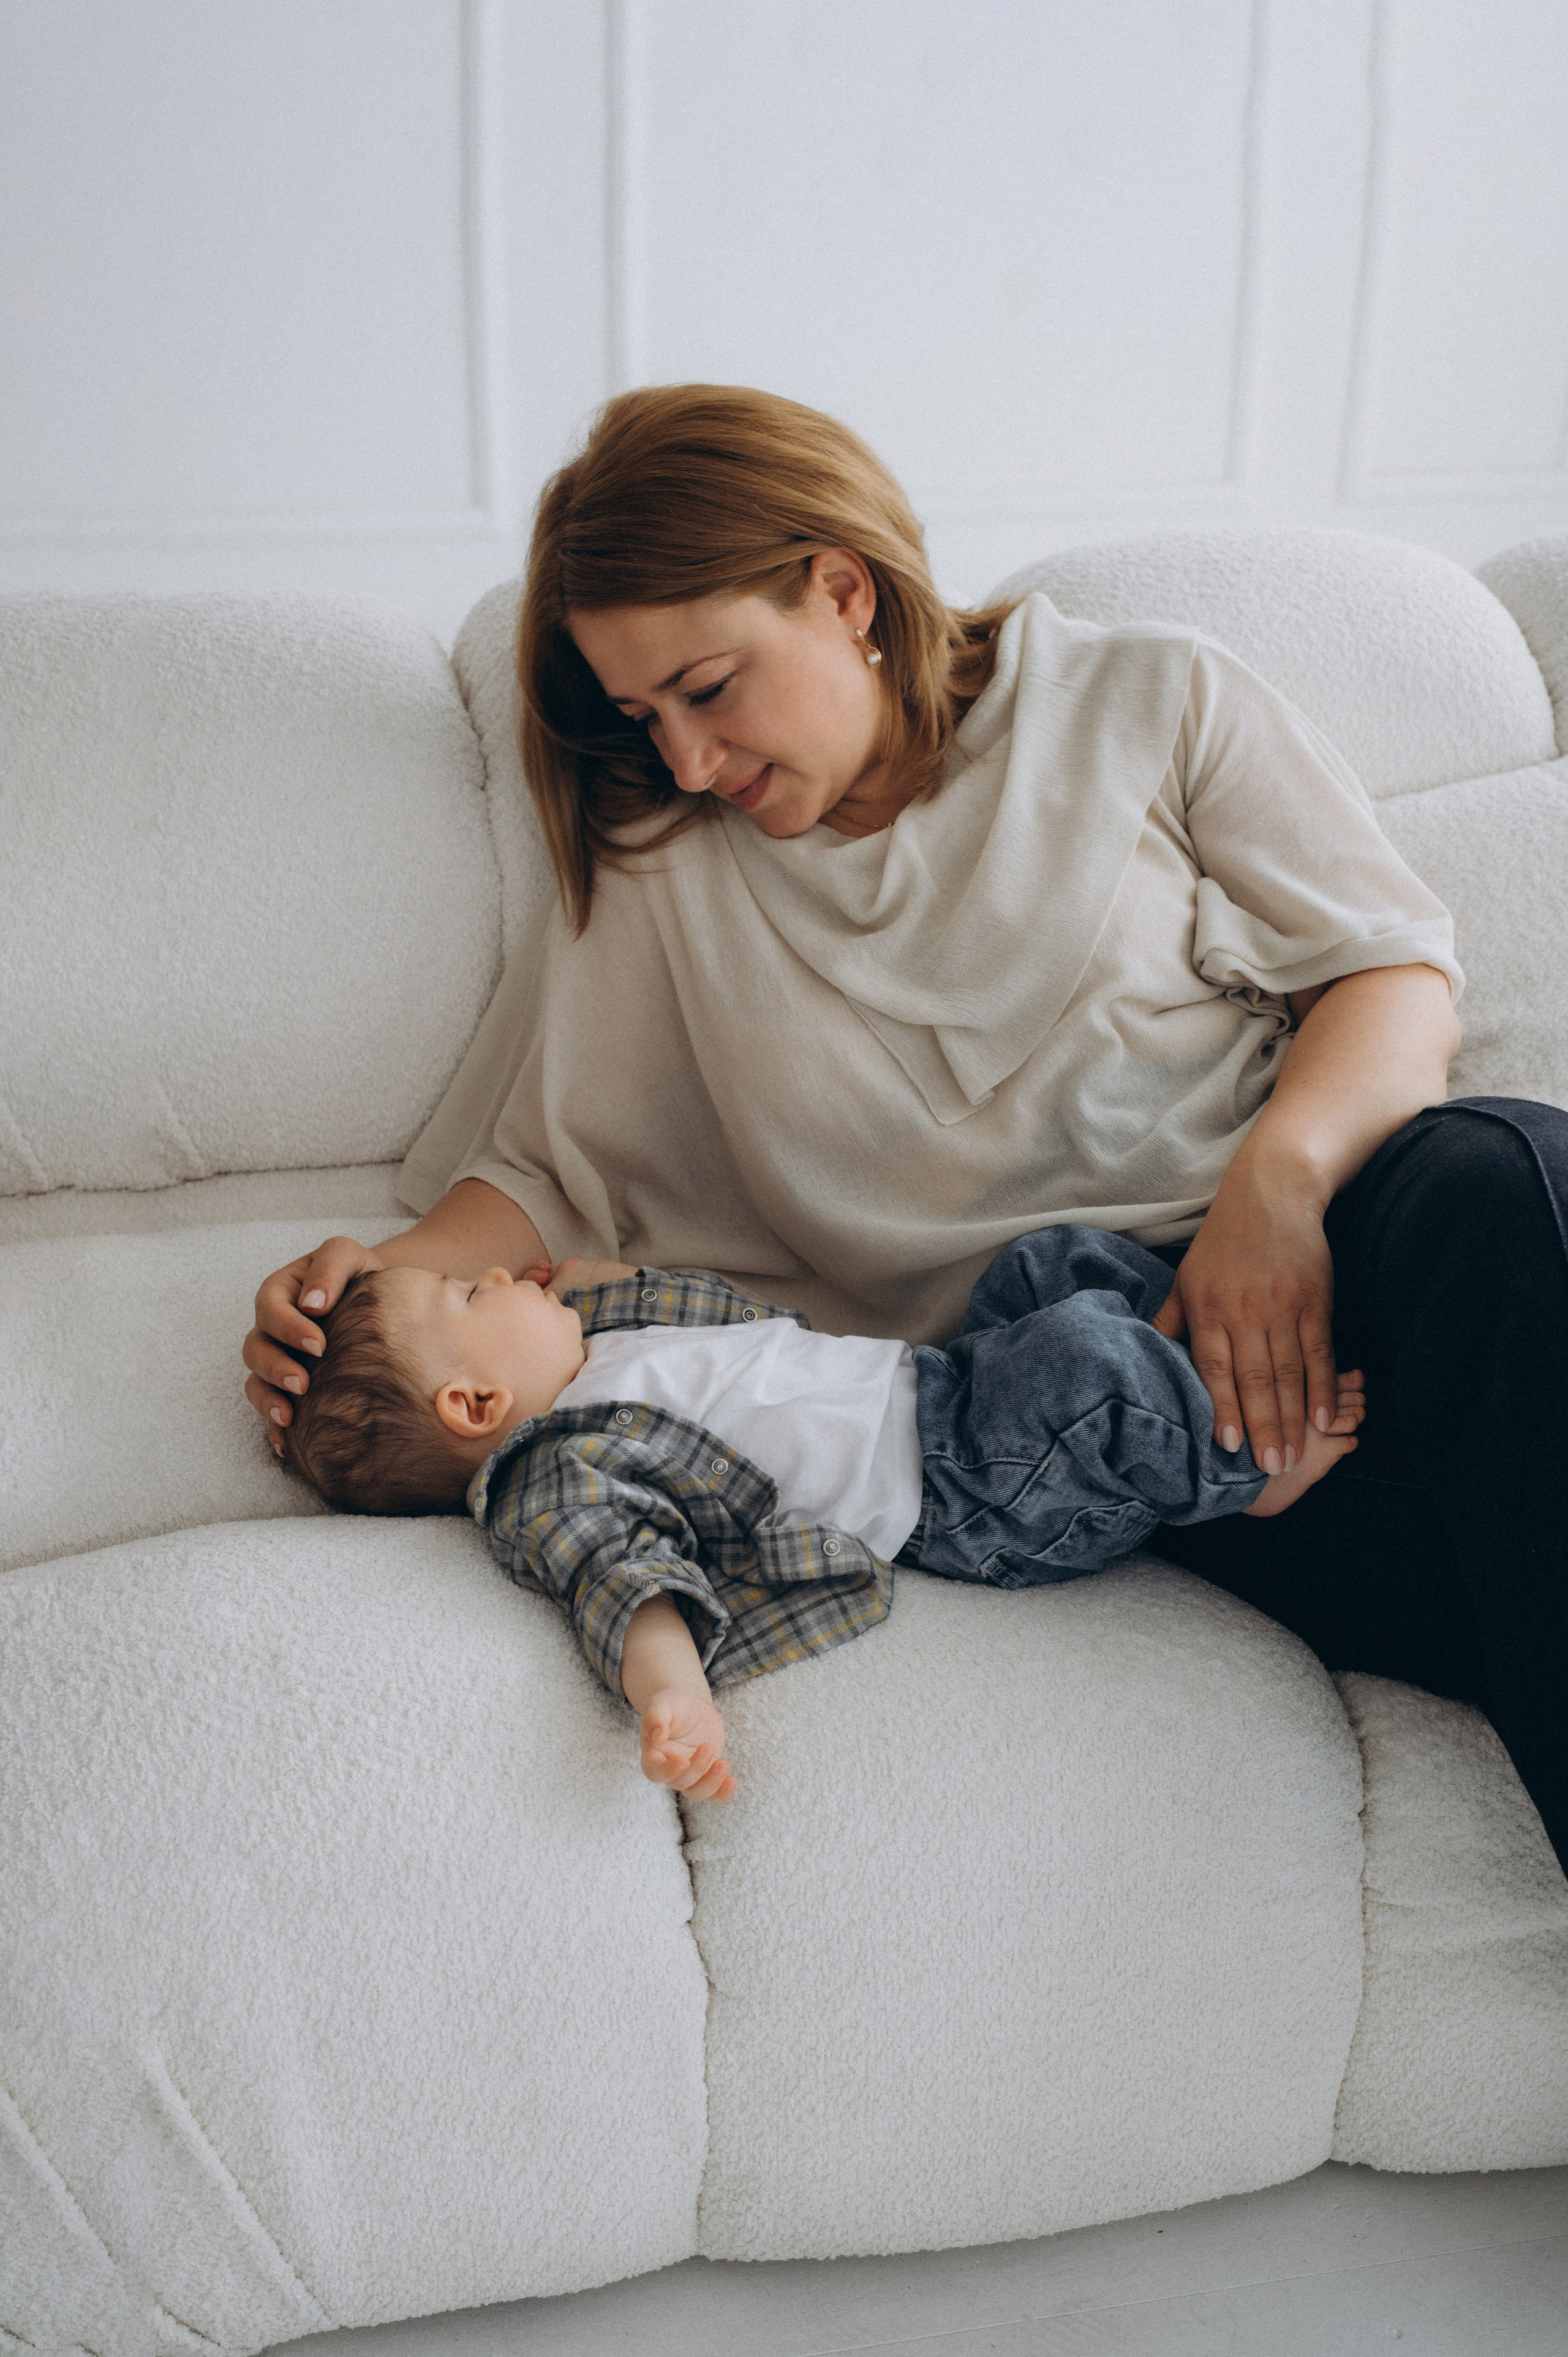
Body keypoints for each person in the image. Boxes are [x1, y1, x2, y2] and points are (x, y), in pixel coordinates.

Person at [244, 384, 1567, 1873]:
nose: (683, 758)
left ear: (842, 589)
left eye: (707, 685)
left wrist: (1279, 1181)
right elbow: (558, 1169)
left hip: (1341, 1218)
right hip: (1100, 1386)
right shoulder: (668, 869)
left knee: (1512, 1178)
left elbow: (1388, 966)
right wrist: (374, 1283)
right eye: (641, 718)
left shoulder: (1142, 695)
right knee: (1457, 1565)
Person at [279, 1234, 1365, 1803]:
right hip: (962, 1491)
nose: (492, 1276)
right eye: (471, 1299)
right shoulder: (563, 1466)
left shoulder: (588, 1341)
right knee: (1083, 1368)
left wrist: (582, 1288)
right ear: (475, 1406)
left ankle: (1210, 1366)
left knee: (1052, 1265)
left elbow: (690, 1313)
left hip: (938, 1381)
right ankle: (1244, 1465)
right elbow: (619, 1576)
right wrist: (673, 1693)